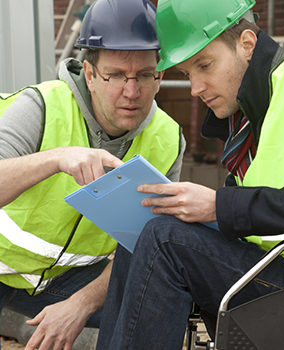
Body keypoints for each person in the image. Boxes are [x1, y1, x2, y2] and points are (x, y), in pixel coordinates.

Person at [96, 0, 284, 348]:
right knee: (144, 233)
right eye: (187, 74)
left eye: (204, 65)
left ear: (246, 44)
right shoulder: (249, 115)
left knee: (164, 240)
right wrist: (198, 211)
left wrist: (219, 206)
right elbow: (259, 211)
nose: (195, 88)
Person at [0, 0, 185, 348]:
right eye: (115, 75)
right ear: (89, 73)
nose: (132, 92)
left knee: (158, 297)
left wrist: (79, 305)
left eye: (146, 75)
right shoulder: (41, 107)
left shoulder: (168, 139)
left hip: (69, 283)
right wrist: (56, 158)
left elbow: (142, 249)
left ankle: (21, 320)